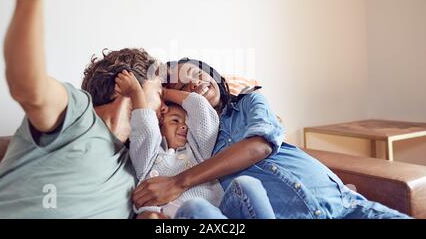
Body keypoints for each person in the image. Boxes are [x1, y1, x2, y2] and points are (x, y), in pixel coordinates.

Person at [0, 0, 167, 218]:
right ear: (128, 85)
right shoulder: (77, 113)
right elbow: (30, 88)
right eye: (160, 94)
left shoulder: (139, 170)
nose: (165, 107)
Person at [132, 58, 412, 219]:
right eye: (182, 87)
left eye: (196, 74)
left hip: (346, 206)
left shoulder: (249, 101)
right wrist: (162, 94)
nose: (193, 84)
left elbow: (260, 145)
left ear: (215, 77)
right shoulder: (196, 142)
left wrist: (179, 182)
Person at [115, 71, 275, 219]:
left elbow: (201, 110)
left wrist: (166, 93)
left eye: (187, 122)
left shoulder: (199, 150)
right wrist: (137, 94)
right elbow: (146, 129)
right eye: (175, 120)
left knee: (247, 183)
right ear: (160, 125)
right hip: (180, 214)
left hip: (222, 212)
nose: (184, 126)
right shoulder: (147, 157)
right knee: (194, 206)